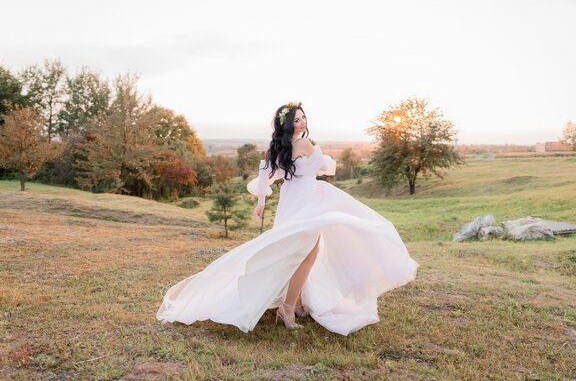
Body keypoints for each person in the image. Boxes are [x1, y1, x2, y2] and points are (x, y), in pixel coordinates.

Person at [156, 102, 418, 335]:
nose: (302, 122)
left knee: (299, 252)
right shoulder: (304, 144)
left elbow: (266, 176)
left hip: (292, 201)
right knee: (305, 254)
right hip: (307, 200)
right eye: (296, 119)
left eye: (303, 117)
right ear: (287, 124)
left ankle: (297, 302)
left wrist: (261, 202)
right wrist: (324, 157)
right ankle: (288, 307)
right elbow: (327, 169)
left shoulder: (278, 148)